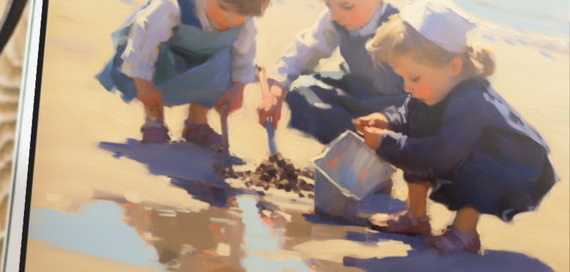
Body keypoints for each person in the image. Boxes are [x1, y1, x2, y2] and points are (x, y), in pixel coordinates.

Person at [353, 1, 556, 253]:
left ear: (453, 66)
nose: (407, 86)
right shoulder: (435, 90)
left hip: (519, 169)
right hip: (460, 153)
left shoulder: (470, 103)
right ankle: (416, 216)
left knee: (481, 164)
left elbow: (438, 156)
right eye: (403, 77)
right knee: (417, 124)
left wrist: (385, 143)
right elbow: (407, 114)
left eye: (414, 78)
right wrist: (388, 120)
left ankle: (464, 231)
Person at [98, 0, 269, 151]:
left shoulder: (244, 26)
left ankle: (196, 124)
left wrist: (238, 87)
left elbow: (243, 60)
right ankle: (154, 121)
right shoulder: (173, 6)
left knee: (224, 61)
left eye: (241, 14)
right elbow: (142, 43)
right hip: (159, 72)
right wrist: (144, 85)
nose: (231, 19)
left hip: (198, 73)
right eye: (224, 7)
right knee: (151, 67)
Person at [258, 1, 405, 144]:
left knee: (392, 128)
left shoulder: (401, 26)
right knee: (299, 93)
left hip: (393, 103)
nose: (334, 15)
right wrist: (276, 91)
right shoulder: (334, 19)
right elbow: (305, 49)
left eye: (347, 6)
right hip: (355, 89)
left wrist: (389, 115)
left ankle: (365, 139)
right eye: (328, 5)